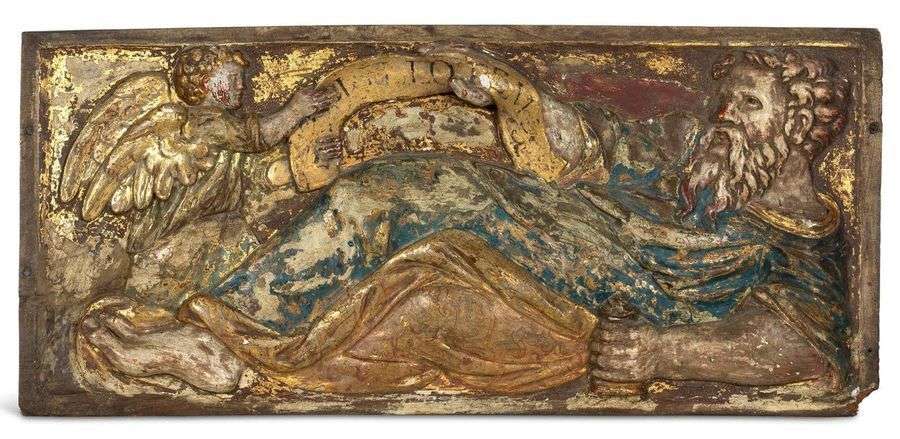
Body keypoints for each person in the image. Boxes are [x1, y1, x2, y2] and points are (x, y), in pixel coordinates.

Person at [77, 48, 852, 396]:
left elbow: (802, 350)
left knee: (401, 199)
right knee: (399, 184)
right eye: (725, 98)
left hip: (605, 287)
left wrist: (660, 349)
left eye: (747, 103)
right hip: (565, 228)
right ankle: (227, 337)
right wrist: (516, 98)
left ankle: (223, 341)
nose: (723, 114)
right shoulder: (695, 153)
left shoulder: (808, 242)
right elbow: (605, 143)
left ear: (798, 127)